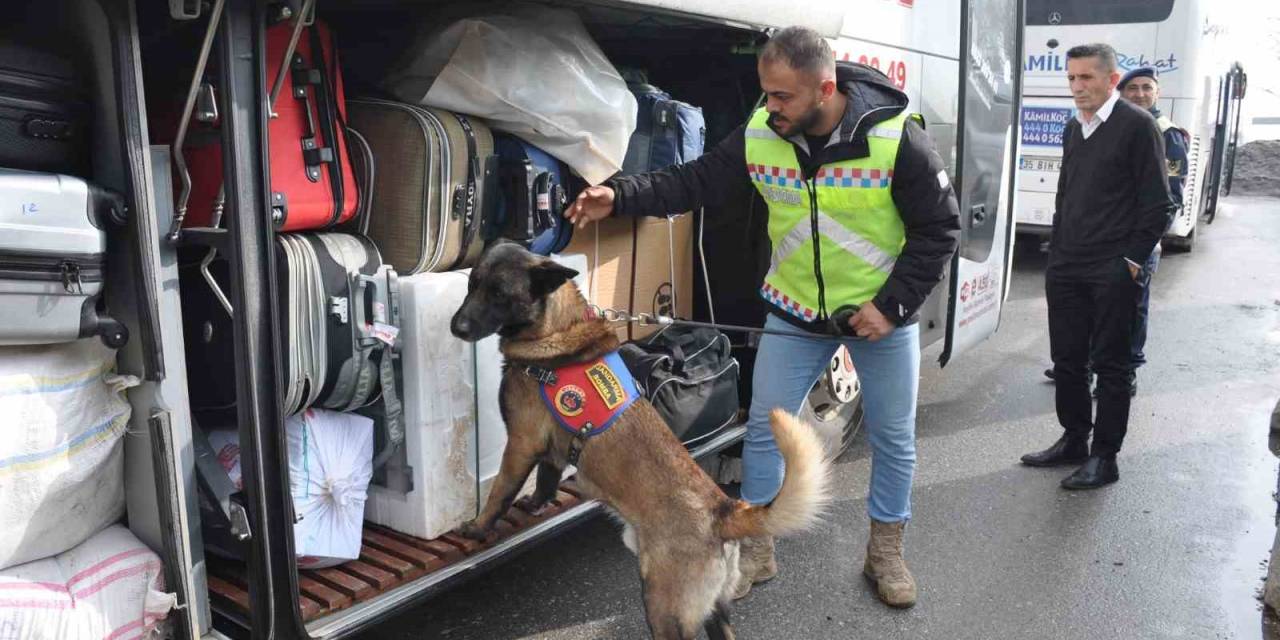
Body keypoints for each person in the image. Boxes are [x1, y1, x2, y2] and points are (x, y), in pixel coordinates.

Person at [565, 26, 959, 608]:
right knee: (764, 433)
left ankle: (885, 552)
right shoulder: (762, 132)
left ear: (825, 89)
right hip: (795, 313)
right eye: (765, 93)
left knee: (894, 439)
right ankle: (757, 551)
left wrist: (892, 306)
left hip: (879, 318)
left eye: (782, 97)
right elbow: (693, 181)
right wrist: (618, 197)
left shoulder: (897, 141)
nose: (770, 108)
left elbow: (940, 230)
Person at [1020, 44, 1174, 489]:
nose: (1076, 86)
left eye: (1086, 78)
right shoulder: (1074, 128)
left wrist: (1128, 261)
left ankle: (1105, 457)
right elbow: (1066, 193)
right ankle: (1074, 438)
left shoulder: (1138, 126)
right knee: (1067, 361)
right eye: (1071, 78)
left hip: (1112, 268)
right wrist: (1057, 250)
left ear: (1111, 80)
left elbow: (1158, 205)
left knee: (1112, 366)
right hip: (1067, 264)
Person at [1119, 65, 1188, 393]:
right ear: (1121, 93)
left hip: (1139, 241)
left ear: (1157, 93)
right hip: (1107, 237)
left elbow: (1170, 198)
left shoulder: (1166, 133)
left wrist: (1141, 248)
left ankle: (1128, 369)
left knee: (1132, 309)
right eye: (1133, 88)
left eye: (1147, 88)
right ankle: (1088, 363)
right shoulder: (1116, 126)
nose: (1140, 94)